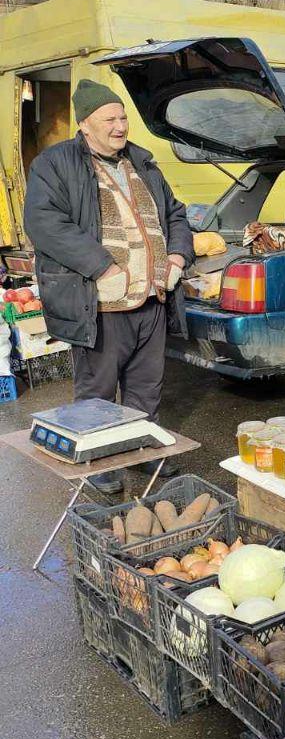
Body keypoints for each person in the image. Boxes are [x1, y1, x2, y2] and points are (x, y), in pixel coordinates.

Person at [23, 79, 194, 491]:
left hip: (151, 299)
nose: (120, 126)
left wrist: (176, 255)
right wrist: (102, 267)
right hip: (99, 305)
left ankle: (140, 450)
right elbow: (45, 223)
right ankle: (101, 465)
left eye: (123, 117)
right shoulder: (56, 163)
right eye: (109, 119)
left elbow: (175, 214)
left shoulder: (142, 161)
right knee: (97, 394)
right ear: (84, 124)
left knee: (146, 388)